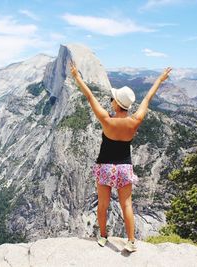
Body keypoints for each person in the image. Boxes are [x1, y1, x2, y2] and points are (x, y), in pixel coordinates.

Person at [70, 61, 172, 252]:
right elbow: (148, 98)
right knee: (127, 205)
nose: (111, 99)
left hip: (105, 167)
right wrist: (160, 79)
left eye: (112, 98)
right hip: (125, 167)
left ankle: (102, 236)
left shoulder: (106, 120)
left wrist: (77, 77)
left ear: (116, 103)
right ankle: (131, 241)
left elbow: (89, 95)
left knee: (103, 204)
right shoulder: (135, 121)